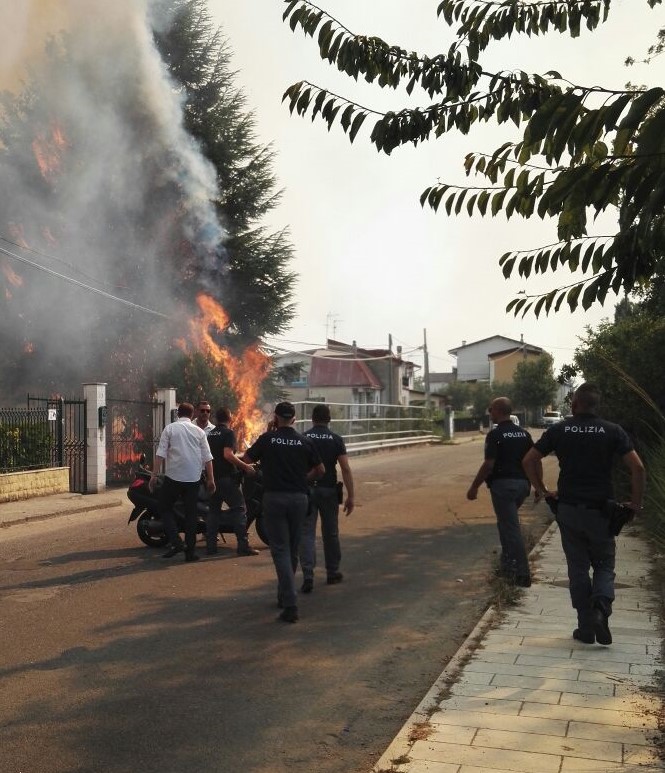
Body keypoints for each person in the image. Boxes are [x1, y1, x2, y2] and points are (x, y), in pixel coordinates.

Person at [522, 383, 646, 646]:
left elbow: (529, 460)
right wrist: (635, 505)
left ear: (575, 405)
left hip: (569, 510)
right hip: (601, 511)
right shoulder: (613, 431)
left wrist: (543, 490)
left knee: (577, 568)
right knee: (604, 564)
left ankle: (585, 627)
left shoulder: (559, 430)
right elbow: (638, 468)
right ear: (595, 405)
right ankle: (601, 609)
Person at [241, 401, 324, 623]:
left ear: (276, 417)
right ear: (294, 419)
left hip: (274, 499)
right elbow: (320, 470)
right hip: (299, 499)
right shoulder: (304, 441)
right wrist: (303, 480)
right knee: (293, 549)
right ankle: (283, 594)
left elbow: (246, 460)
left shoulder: (268, 439)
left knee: (280, 551)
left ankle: (290, 603)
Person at [467, 397, 534, 587]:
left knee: (511, 528)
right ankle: (507, 568)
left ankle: (522, 573)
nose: (489, 412)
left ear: (498, 410)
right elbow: (533, 461)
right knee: (506, 525)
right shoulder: (524, 434)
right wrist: (537, 487)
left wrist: (474, 487)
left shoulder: (495, 435)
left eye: (491, 409)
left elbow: (489, 464)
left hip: (504, 486)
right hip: (522, 486)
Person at [149, 402, 215, 562]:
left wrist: (154, 475)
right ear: (193, 415)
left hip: (173, 477)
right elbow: (208, 458)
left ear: (178, 413)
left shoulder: (170, 428)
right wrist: (211, 480)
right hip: (193, 478)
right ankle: (190, 553)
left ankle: (176, 540)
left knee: (164, 507)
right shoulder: (199, 431)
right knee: (191, 515)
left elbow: (161, 453)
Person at [299, 404, 355, 593]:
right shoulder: (336, 439)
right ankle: (332, 572)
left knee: (307, 533)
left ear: (312, 418)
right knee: (330, 533)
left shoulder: (304, 437)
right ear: (329, 419)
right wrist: (351, 496)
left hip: (308, 490)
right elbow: (345, 469)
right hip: (329, 491)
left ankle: (308, 575)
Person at [206, 406, 259, 557]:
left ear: (216, 419)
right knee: (240, 509)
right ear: (230, 418)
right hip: (226, 479)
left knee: (213, 512)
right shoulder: (228, 433)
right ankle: (243, 546)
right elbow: (228, 455)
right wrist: (246, 466)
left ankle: (211, 547)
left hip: (212, 479)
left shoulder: (210, 434)